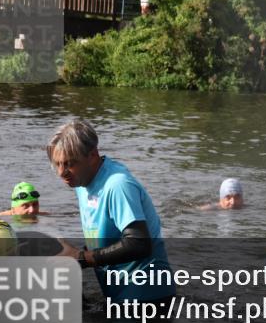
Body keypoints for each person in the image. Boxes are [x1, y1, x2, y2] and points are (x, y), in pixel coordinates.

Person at [48, 118, 174, 303]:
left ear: (92, 155)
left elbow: (139, 243)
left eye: (69, 163)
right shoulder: (81, 181)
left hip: (147, 298)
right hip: (119, 295)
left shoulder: (117, 185)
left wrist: (81, 258)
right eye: (57, 164)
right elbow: (108, 238)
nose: (62, 172)